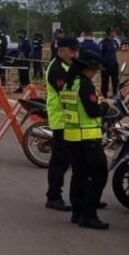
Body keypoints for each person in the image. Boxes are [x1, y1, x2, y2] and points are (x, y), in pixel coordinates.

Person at [61, 48, 113, 230]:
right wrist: (105, 106)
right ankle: (89, 215)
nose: (96, 73)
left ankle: (77, 213)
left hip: (72, 137)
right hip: (88, 138)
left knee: (79, 175)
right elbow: (92, 111)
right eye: (95, 70)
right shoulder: (85, 85)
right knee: (99, 176)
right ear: (88, 68)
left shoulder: (69, 84)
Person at [45, 37, 80, 212]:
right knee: (60, 161)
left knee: (75, 160)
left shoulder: (67, 65)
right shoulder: (57, 69)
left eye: (76, 50)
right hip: (61, 120)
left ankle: (84, 197)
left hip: (71, 119)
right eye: (72, 50)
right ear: (62, 50)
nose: (75, 54)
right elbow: (67, 92)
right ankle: (53, 196)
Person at [100, 27, 121, 97]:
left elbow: (117, 49)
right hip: (105, 65)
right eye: (113, 32)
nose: (115, 33)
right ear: (109, 33)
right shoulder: (103, 43)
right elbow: (99, 53)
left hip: (114, 65)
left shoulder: (114, 42)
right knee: (105, 82)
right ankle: (104, 96)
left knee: (115, 82)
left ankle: (115, 95)